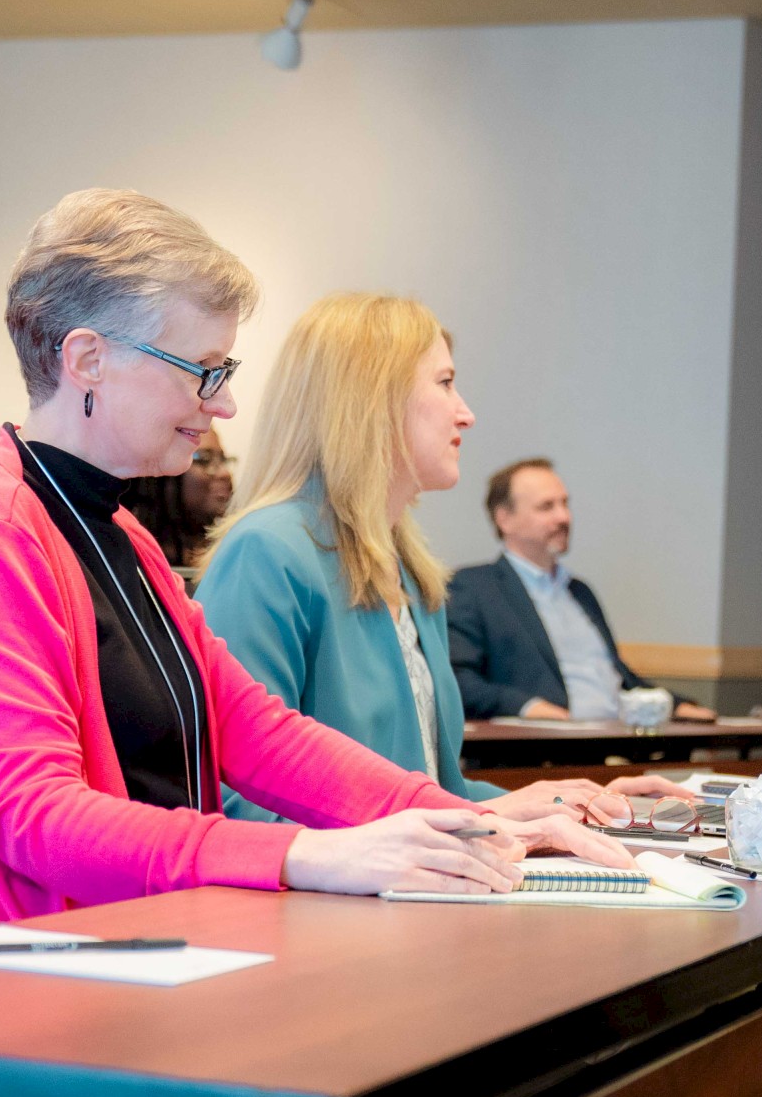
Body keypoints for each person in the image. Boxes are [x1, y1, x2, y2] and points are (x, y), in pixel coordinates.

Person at [0, 190, 628, 923]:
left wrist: (464, 821)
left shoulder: (122, 535)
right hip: (45, 965)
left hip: (155, 936)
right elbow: (34, 817)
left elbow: (256, 733)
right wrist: (307, 855)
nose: (223, 404)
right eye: (202, 370)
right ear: (88, 359)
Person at [196, 294, 696, 819]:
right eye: (445, 382)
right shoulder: (267, 551)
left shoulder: (412, 572)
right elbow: (235, 801)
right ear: (375, 400)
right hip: (323, 895)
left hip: (407, 886)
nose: (467, 413)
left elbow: (439, 790)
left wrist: (565, 804)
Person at [447, 458, 717, 723]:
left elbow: (620, 679)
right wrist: (526, 706)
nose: (563, 517)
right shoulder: (474, 588)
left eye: (565, 504)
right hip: (541, 752)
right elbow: (456, 680)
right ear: (505, 519)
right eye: (546, 507)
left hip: (614, 741)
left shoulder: (579, 592)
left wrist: (674, 705)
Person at [125, 426, 234, 567]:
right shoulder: (129, 559)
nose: (224, 473)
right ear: (162, 476)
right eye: (205, 459)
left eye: (223, 460)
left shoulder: (229, 555)